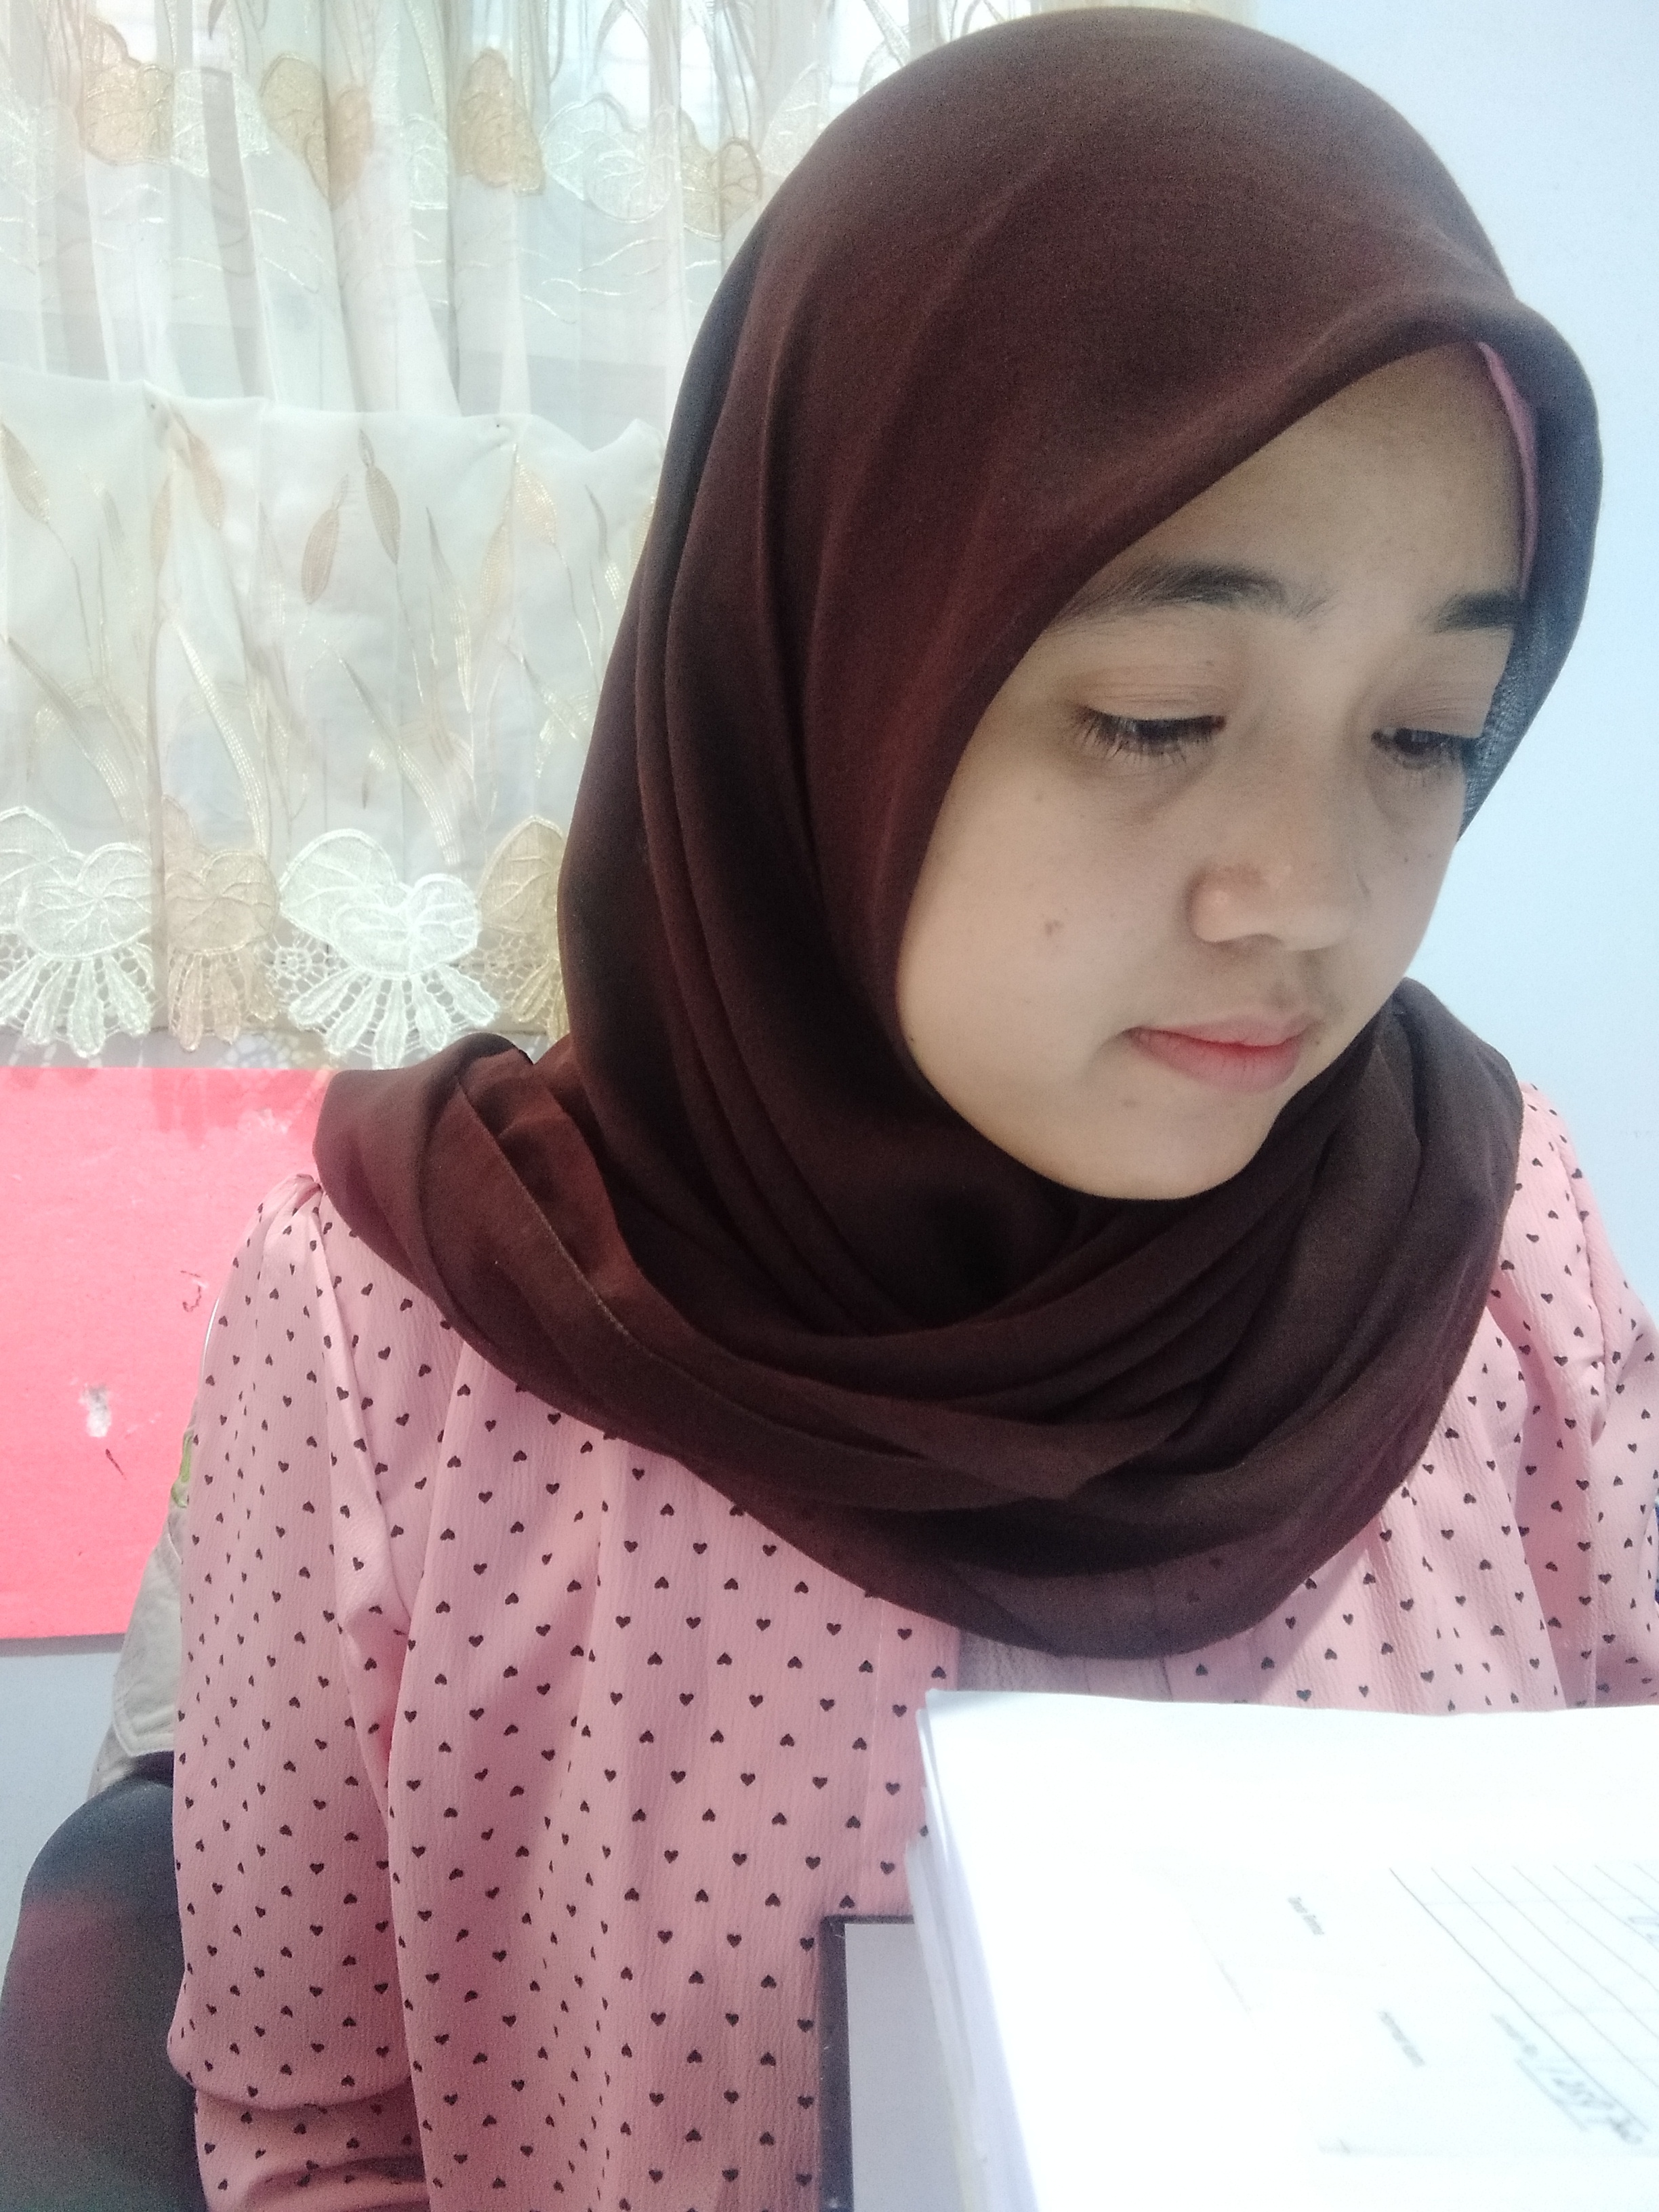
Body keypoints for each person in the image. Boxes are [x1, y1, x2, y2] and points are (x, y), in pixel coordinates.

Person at [147, 12, 1655, 2207]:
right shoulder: (405, 1342)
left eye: (1426, 733)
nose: (1309, 897)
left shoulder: (1490, 1239)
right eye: (1157, 716)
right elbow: (314, 2135)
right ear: (827, 666)